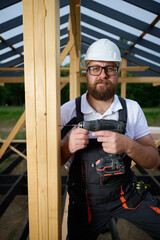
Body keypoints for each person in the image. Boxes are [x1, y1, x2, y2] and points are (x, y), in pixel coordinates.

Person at [61, 39, 160, 240]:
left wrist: (128, 145)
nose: (103, 75)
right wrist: (67, 146)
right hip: (84, 202)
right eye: (95, 68)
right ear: (86, 72)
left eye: (110, 69)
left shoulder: (132, 109)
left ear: (118, 72)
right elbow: (49, 163)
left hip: (126, 195)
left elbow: (154, 161)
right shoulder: (67, 111)